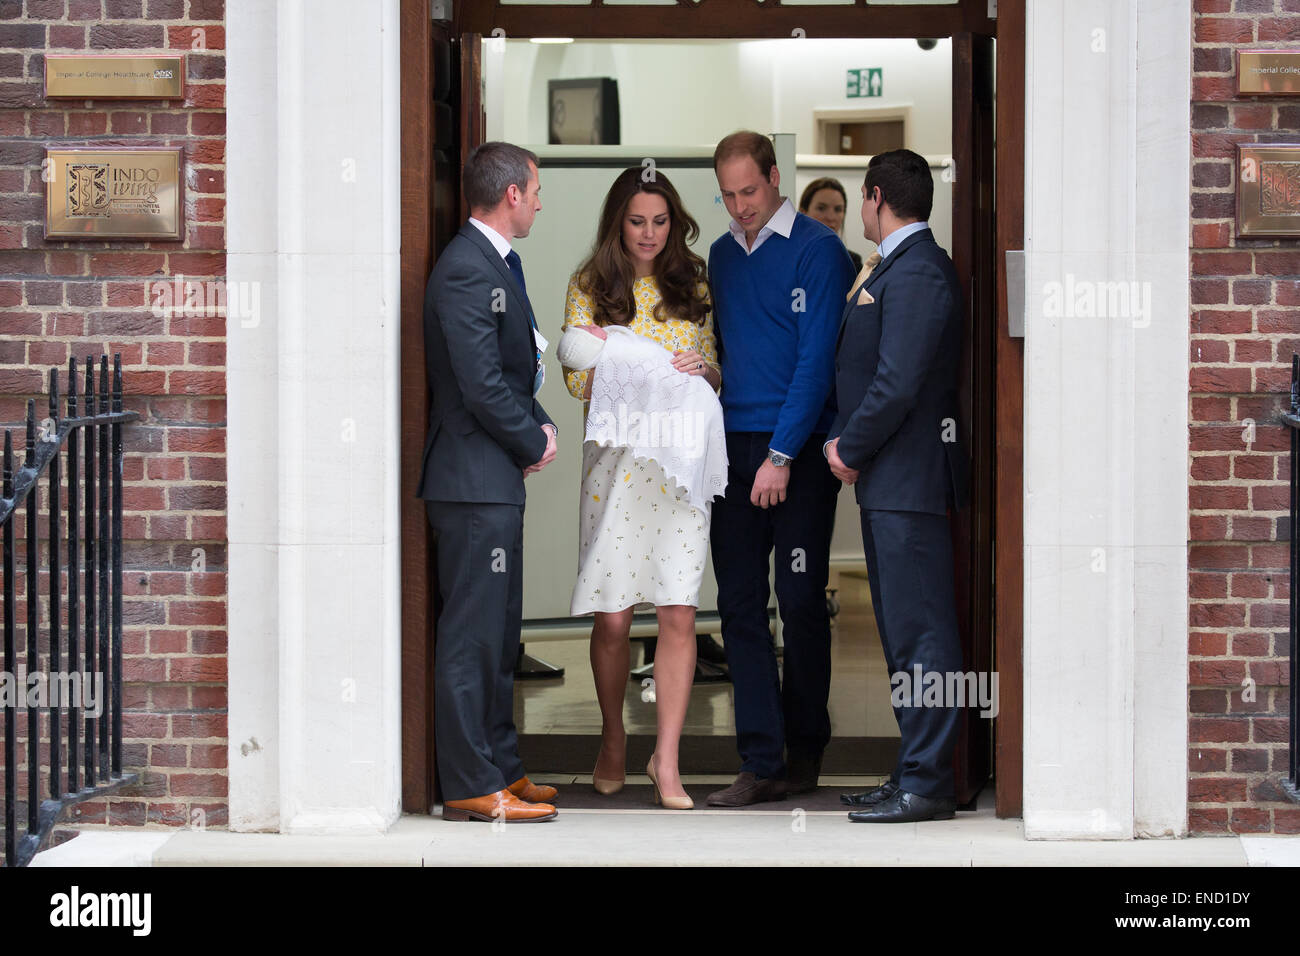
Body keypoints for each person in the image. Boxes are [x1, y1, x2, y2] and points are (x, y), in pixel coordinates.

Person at [558, 167, 722, 811]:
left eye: (659, 221)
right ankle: (611, 738)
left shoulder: (696, 281)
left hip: (679, 469)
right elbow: (575, 378)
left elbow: (714, 371)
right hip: (616, 467)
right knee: (614, 614)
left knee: (680, 608)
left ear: (673, 222)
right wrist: (625, 363)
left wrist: (696, 368)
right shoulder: (589, 284)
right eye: (636, 221)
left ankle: (668, 759)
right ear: (616, 223)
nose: (649, 233)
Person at [705, 131, 856, 807]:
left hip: (796, 448)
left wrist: (782, 455)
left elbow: (814, 361)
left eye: (750, 191)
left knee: (798, 601)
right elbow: (728, 350)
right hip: (731, 447)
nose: (739, 207)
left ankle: (804, 751)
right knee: (738, 603)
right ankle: (760, 760)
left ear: (774, 178)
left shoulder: (818, 251)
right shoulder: (719, 256)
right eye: (729, 195)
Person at [416, 141, 560, 823]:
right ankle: (473, 783)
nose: (538, 201)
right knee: (473, 637)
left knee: (502, 635)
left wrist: (537, 425)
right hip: (471, 483)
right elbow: (477, 386)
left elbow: (508, 373)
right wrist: (531, 439)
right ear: (510, 195)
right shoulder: (468, 270)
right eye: (534, 190)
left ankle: (504, 768)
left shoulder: (495, 262)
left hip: (492, 477)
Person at [825, 148, 969, 823]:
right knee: (901, 632)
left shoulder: (917, 275)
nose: (860, 209)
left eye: (861, 198)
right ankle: (912, 766)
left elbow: (897, 382)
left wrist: (848, 449)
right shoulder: (894, 268)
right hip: (890, 485)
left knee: (923, 636)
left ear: (875, 196)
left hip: (908, 482)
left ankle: (928, 782)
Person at [799, 176, 864, 274]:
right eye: (821, 208)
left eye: (838, 210)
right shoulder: (788, 258)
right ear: (803, 212)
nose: (830, 217)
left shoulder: (852, 263)